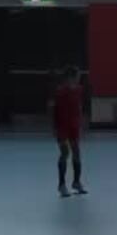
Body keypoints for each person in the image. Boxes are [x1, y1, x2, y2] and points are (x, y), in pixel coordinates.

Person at [49, 66, 86, 198]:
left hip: (74, 126)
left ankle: (76, 182)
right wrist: (53, 127)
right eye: (77, 76)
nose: (79, 78)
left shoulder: (79, 90)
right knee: (65, 152)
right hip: (61, 126)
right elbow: (53, 110)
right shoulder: (60, 92)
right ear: (71, 77)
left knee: (76, 152)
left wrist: (80, 121)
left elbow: (79, 106)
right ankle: (61, 185)